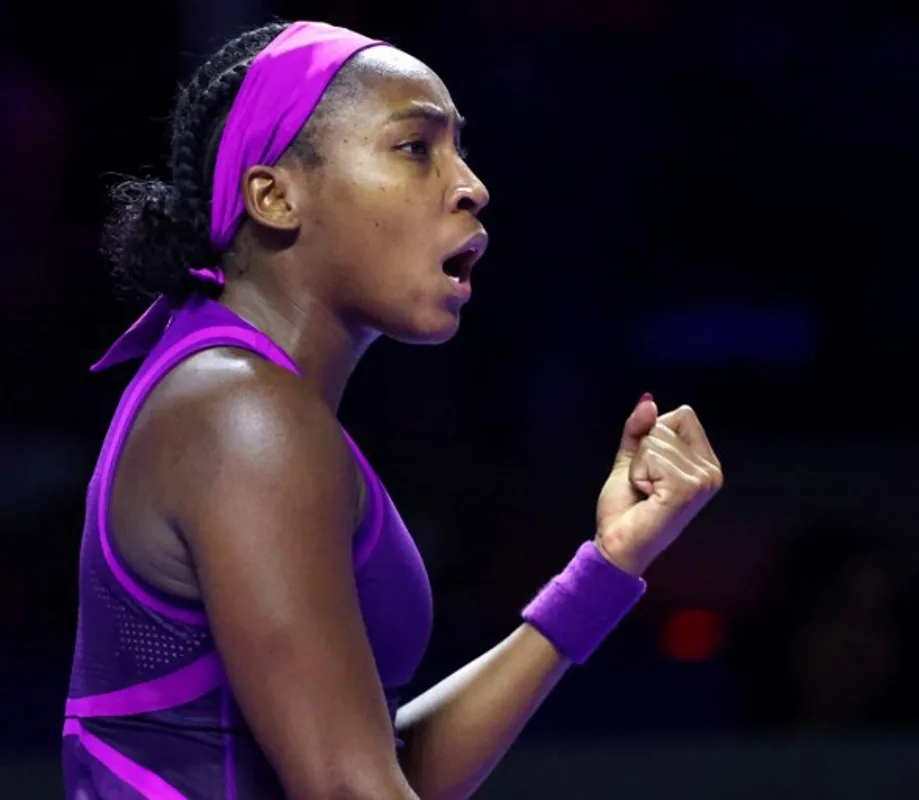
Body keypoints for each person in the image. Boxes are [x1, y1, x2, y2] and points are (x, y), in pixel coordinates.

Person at [63, 20, 723, 800]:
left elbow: (382, 767)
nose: (473, 186)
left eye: (459, 150)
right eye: (416, 148)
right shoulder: (245, 416)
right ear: (274, 195)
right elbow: (351, 790)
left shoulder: (238, 397)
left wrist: (608, 567)